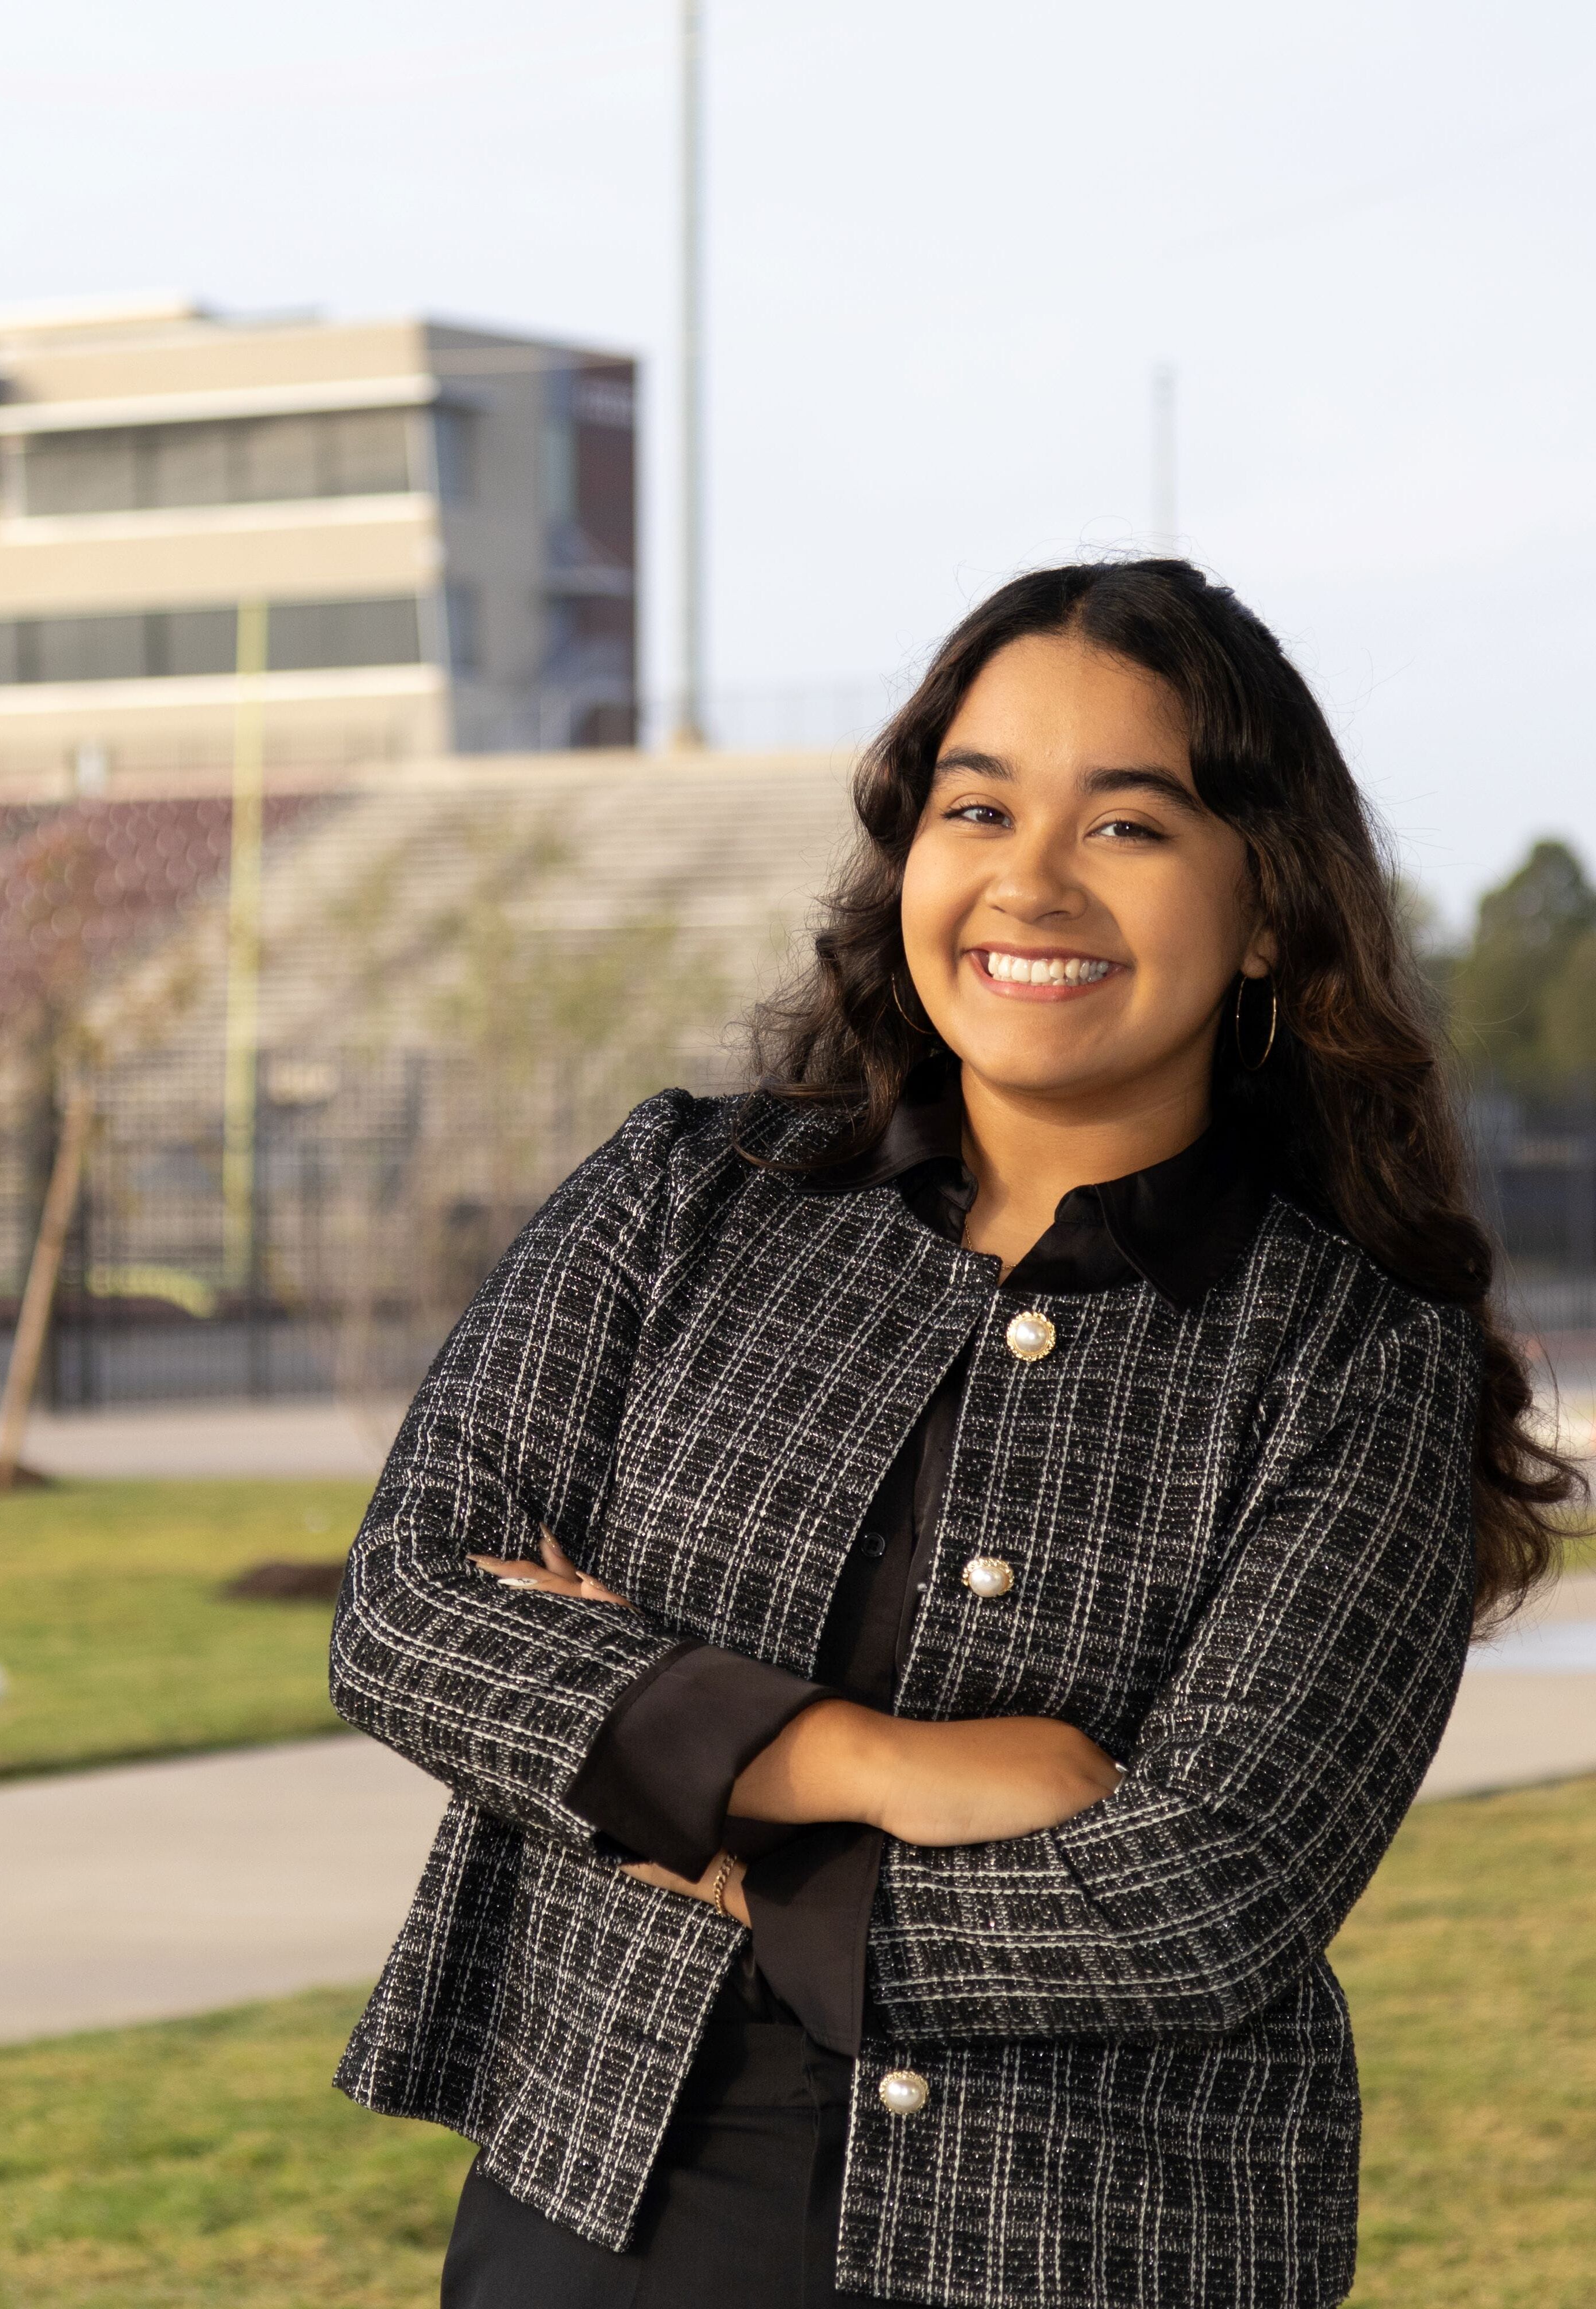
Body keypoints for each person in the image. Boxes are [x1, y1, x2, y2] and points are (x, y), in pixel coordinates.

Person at [327, 560, 1580, 2309]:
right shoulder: (688, 1194)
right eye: (975, 805)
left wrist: (693, 1826)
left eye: (1127, 826)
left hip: (1094, 2248)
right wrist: (866, 1763)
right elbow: (409, 1611)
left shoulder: (1354, 1358)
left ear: (1273, 909)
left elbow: (1200, 1898)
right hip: (610, 2204)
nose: (1029, 879)